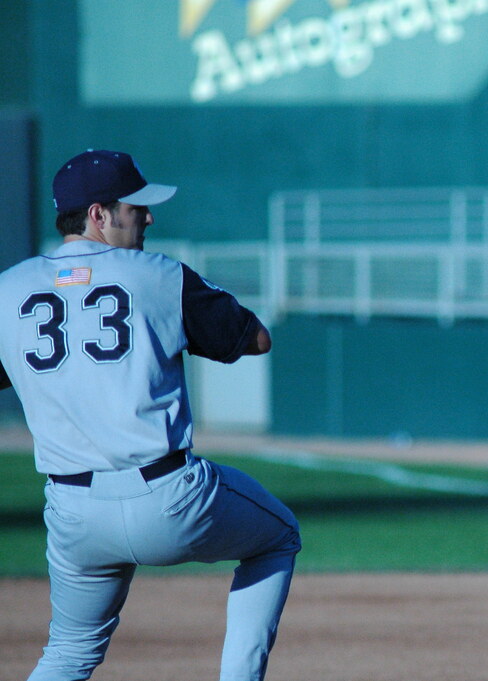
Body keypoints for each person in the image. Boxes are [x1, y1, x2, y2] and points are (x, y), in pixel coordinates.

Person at [0, 149, 301, 681]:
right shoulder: (158, 275)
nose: (148, 216)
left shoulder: (8, 289)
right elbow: (256, 339)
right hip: (172, 499)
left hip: (73, 513)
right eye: (134, 206)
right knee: (278, 537)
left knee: (67, 654)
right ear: (99, 214)